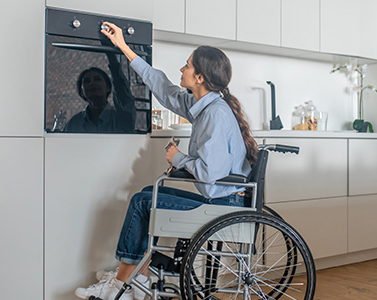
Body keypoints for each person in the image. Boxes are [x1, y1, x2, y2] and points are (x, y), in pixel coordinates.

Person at [74, 21, 258, 300]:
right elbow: (160, 85)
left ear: (200, 78)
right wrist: (123, 46)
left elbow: (210, 173)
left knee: (142, 201)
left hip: (222, 204)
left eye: (187, 65)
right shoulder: (202, 106)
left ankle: (121, 285)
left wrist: (178, 157)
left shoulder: (215, 115)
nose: (181, 69)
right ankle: (137, 277)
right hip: (219, 196)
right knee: (148, 195)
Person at [64, 52, 136, 133]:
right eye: (87, 81)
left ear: (108, 88)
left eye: (97, 79)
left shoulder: (121, 118)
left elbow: (123, 94)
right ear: (81, 92)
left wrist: (111, 57)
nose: (92, 83)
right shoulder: (74, 123)